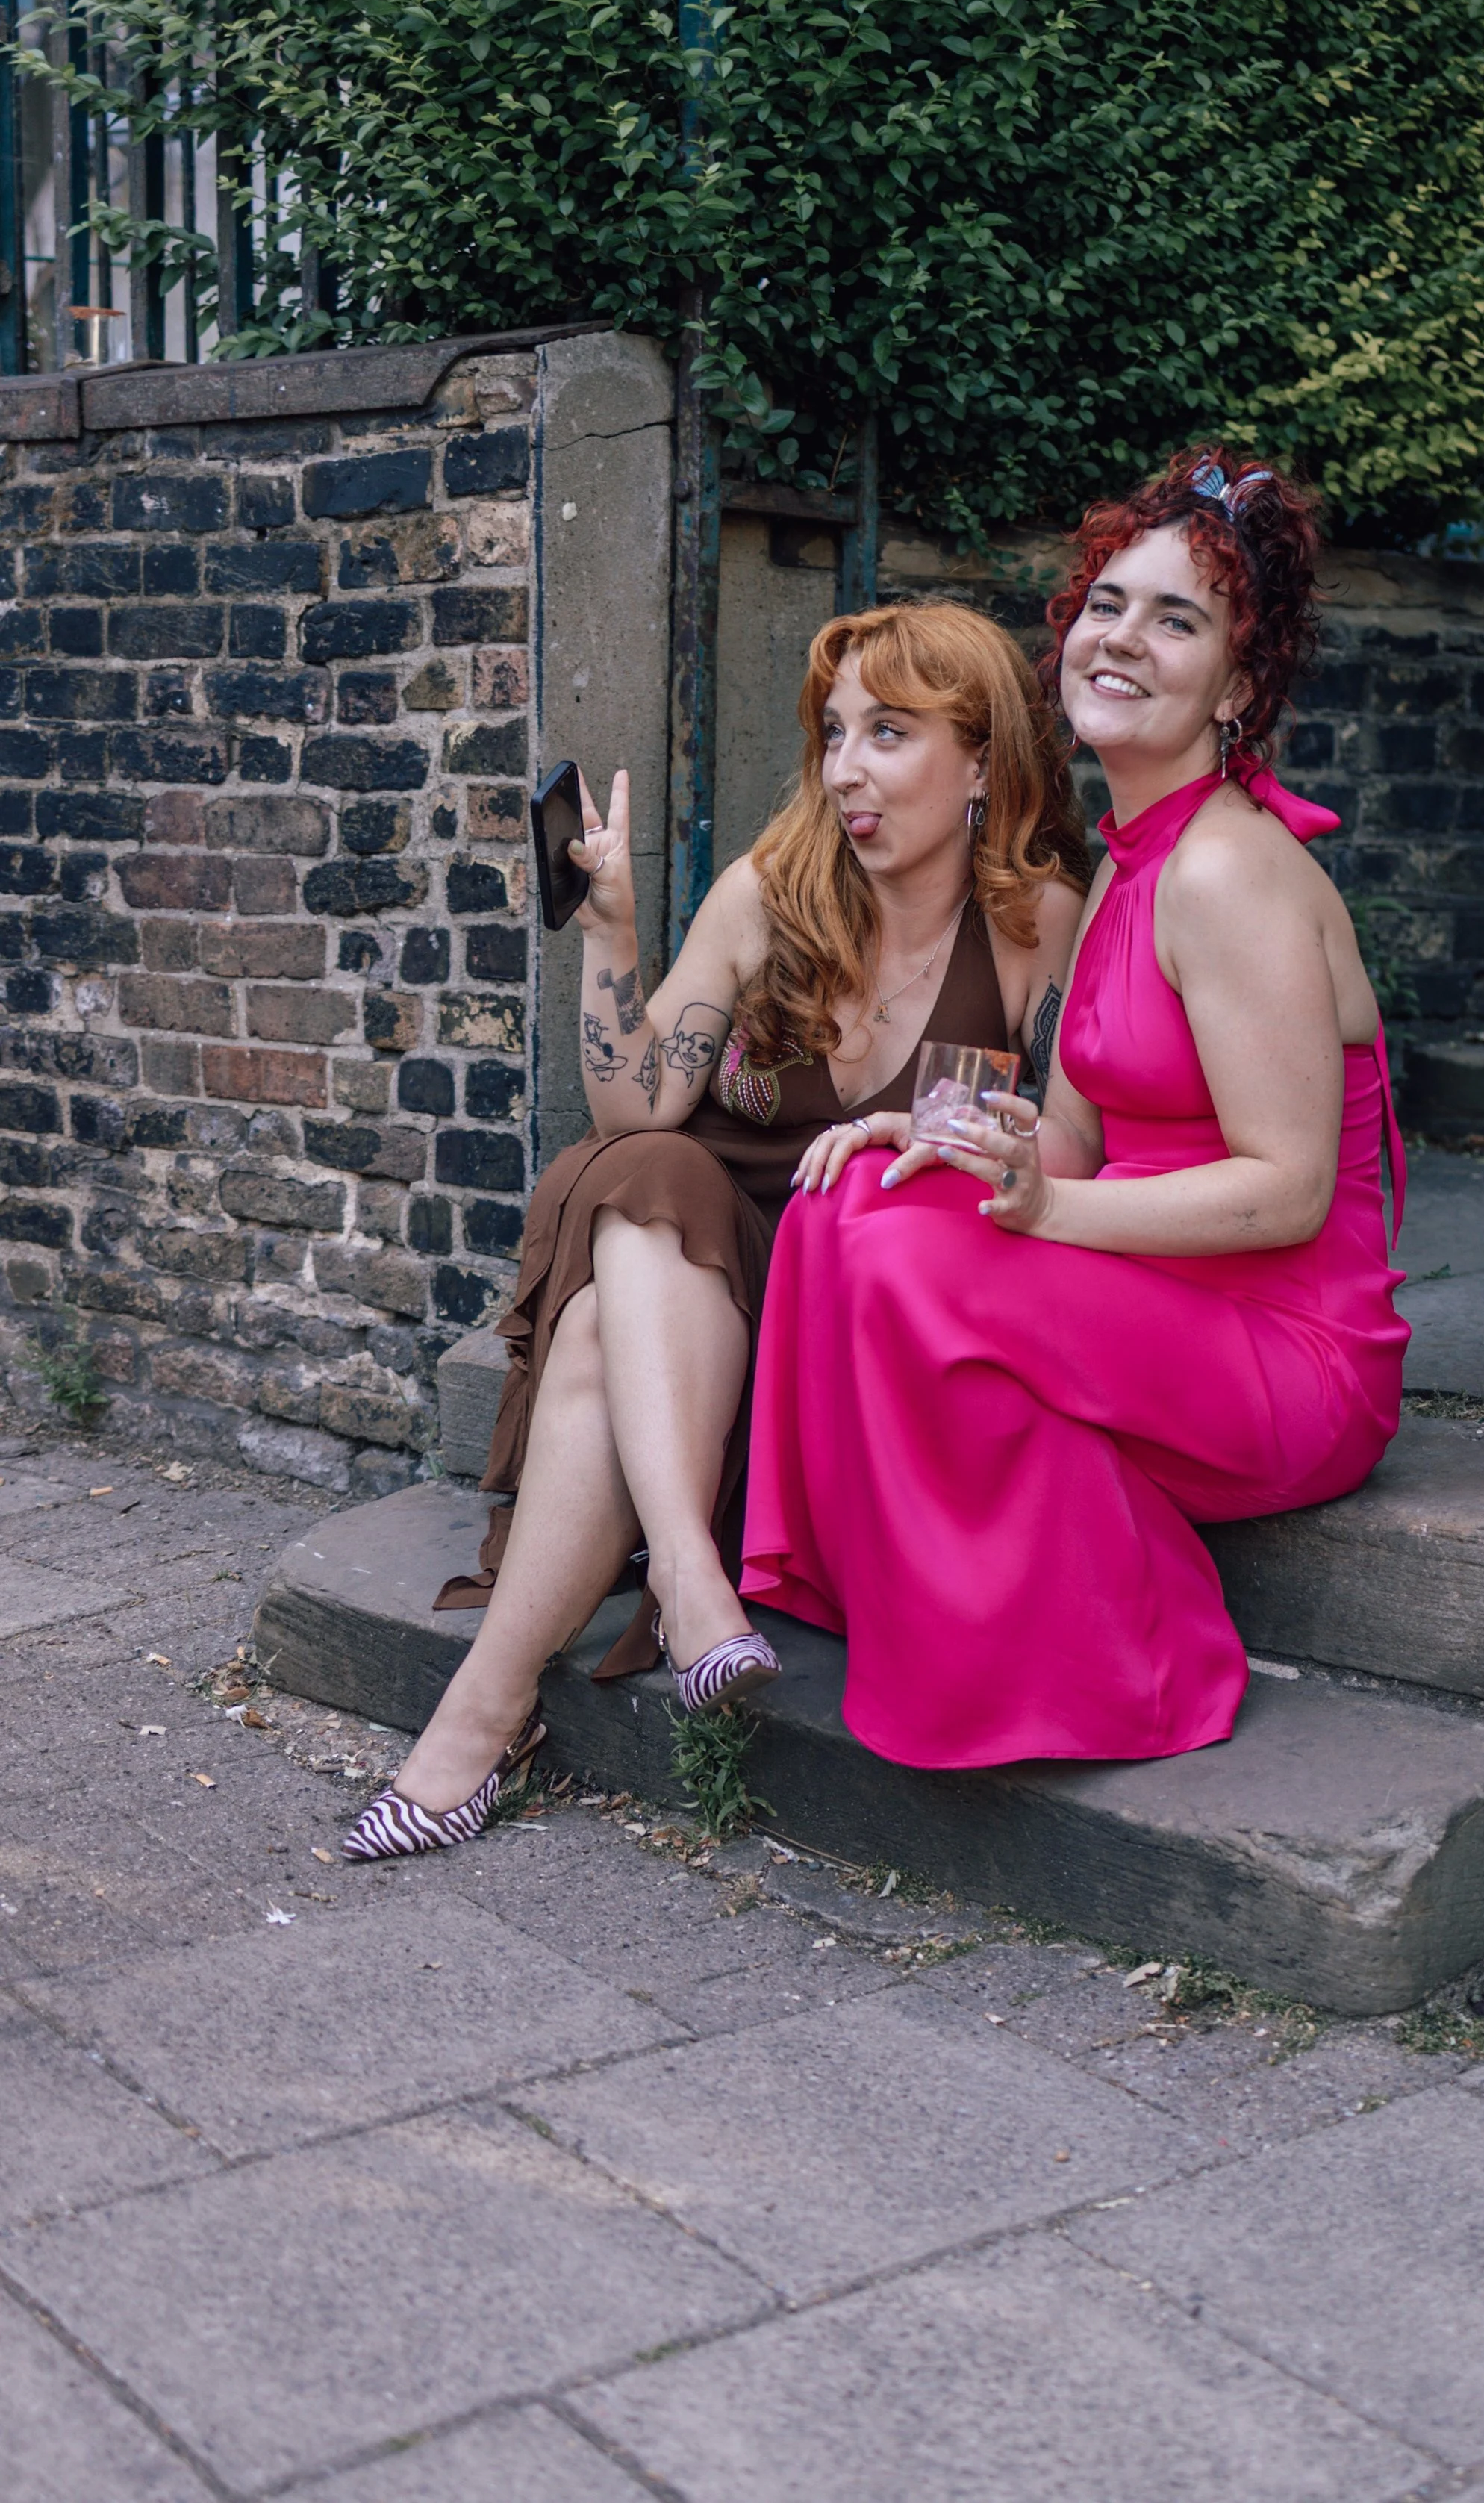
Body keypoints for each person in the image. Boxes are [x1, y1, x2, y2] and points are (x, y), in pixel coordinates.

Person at [342, 601, 1086, 1859]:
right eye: (834, 733)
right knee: (650, 1170)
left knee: (596, 1330)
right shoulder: (769, 891)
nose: (845, 768)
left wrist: (935, 1134)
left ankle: (530, 1686)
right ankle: (656, 1605)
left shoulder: (1037, 920)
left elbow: (1066, 1150)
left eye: (889, 733)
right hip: (700, 1298)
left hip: (842, 1332)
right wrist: (613, 937)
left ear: (981, 762)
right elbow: (636, 1103)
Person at [742, 447, 1409, 1771]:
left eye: (1178, 620)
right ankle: (891, 1595)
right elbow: (1078, 1139)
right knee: (848, 1200)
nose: (1122, 638)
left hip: (1288, 1354)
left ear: (1238, 685)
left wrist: (1046, 1209)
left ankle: (1131, 1656)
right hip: (1160, 1299)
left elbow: (1287, 1189)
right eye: (1107, 603)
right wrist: (941, 1135)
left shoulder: (1227, 872)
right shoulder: (1127, 861)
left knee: (910, 1263)